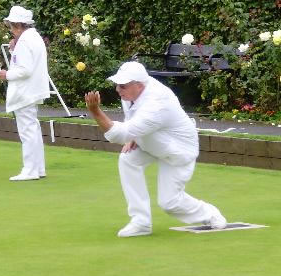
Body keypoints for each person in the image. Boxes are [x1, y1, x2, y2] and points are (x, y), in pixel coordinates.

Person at [85, 62, 227, 237]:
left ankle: (210, 214)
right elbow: (131, 122)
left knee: (170, 203)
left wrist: (95, 111)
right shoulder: (132, 93)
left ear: (139, 85)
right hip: (152, 142)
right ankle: (141, 222)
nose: (118, 89)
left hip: (178, 150)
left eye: (123, 86)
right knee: (128, 159)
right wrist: (133, 136)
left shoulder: (157, 103)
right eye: (117, 85)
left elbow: (119, 135)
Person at [0, 5, 50, 181]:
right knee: (32, 130)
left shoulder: (26, 41)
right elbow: (25, 62)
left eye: (11, 26)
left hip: (26, 92)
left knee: (28, 131)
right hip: (31, 91)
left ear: (19, 25)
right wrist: (14, 49)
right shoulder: (32, 37)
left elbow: (24, 70)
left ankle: (30, 170)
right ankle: (38, 168)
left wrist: (6, 75)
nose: (10, 30)